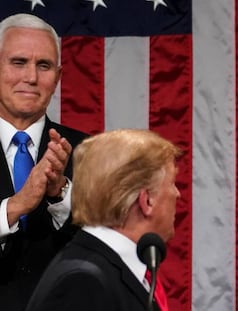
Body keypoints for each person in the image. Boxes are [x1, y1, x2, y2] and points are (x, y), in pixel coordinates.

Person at [25, 129, 181, 311]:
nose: (177, 194)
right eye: (172, 183)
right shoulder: (83, 283)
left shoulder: (105, 269)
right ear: (146, 200)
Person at [0, 13, 88, 310]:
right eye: (18, 62)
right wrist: (14, 207)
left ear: (58, 78)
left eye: (44, 65)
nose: (31, 77)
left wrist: (61, 193)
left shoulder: (92, 152)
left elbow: (109, 247)